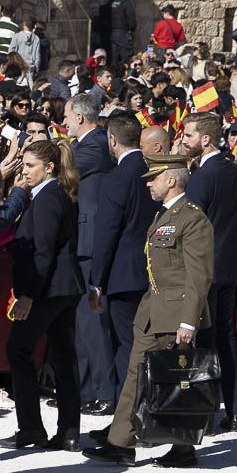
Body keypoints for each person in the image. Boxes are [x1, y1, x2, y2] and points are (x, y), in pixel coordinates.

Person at [83, 154, 214, 468]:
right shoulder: (165, 215)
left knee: (176, 378)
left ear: (171, 180)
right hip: (151, 311)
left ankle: (183, 448)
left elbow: (199, 275)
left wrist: (188, 320)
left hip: (175, 314)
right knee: (135, 375)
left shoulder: (192, 218)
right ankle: (121, 443)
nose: (149, 184)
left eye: (153, 178)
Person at [2, 139, 85, 452]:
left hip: (49, 290)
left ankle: (32, 429)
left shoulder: (49, 197)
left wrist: (28, 296)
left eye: (30, 166)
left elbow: (44, 251)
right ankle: (68, 431)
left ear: (49, 167)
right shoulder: (54, 194)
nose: (25, 172)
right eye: (24, 165)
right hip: (62, 289)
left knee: (18, 350)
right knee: (64, 357)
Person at [86, 112, 156, 423]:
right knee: (145, 344)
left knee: (126, 348)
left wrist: (97, 280)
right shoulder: (154, 171)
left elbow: (106, 232)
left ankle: (128, 419)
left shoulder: (116, 178)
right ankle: (141, 412)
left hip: (124, 275)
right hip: (154, 271)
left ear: (112, 140)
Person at [181, 113, 237, 432]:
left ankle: (206, 413)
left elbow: (190, 227)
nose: (183, 140)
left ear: (206, 139)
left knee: (205, 342)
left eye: (189, 135)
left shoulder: (203, 176)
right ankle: (233, 412)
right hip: (229, 268)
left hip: (206, 271)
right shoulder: (235, 171)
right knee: (226, 339)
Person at [63, 95, 115, 421]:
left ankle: (105, 392)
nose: (64, 121)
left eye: (67, 116)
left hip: (91, 240)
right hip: (79, 240)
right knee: (82, 322)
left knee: (95, 322)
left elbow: (65, 171)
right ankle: (84, 391)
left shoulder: (95, 144)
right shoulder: (84, 142)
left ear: (81, 117)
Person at [108, 0, 137, 64]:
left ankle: (114, 74)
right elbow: (132, 21)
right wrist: (132, 31)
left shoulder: (111, 3)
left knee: (114, 58)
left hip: (113, 34)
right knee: (128, 58)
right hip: (124, 34)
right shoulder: (126, 3)